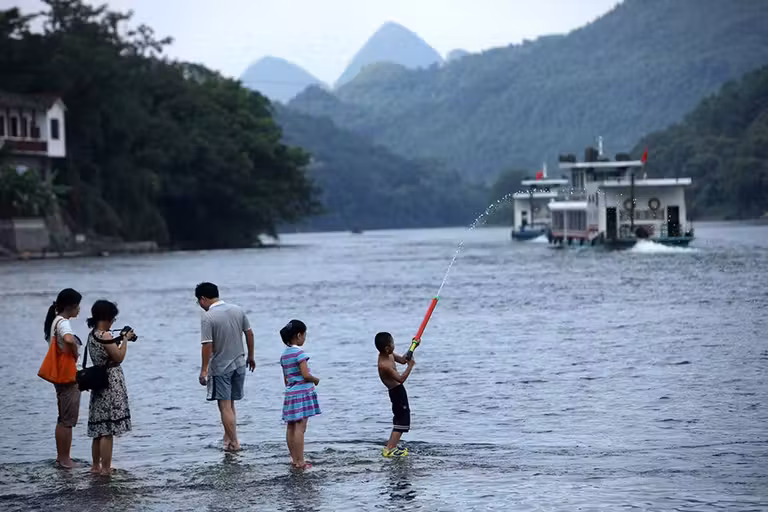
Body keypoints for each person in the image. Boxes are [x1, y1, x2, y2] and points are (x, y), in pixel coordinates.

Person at [195, 282, 255, 451]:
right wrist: (251, 356)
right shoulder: (237, 309)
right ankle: (228, 439)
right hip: (240, 363)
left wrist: (204, 370)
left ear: (203, 299)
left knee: (224, 406)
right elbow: (249, 333)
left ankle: (234, 442)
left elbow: (207, 345)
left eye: (198, 301)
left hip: (221, 366)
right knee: (231, 405)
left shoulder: (208, 317)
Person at [86, 300, 134, 476]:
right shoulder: (105, 336)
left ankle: (95, 466)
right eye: (112, 318)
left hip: (98, 382)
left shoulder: (93, 334)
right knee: (108, 429)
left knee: (99, 428)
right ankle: (105, 468)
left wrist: (119, 339)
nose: (113, 321)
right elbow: (118, 356)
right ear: (106, 317)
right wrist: (125, 340)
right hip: (110, 381)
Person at [41, 288, 83, 469]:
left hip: (59, 377)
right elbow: (67, 339)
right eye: (78, 306)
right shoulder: (64, 323)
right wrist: (75, 351)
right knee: (68, 420)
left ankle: (62, 457)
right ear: (71, 306)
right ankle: (65, 459)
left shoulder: (54, 321)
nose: (80, 309)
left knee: (62, 419)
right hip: (68, 377)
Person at [279, 320, 321, 469]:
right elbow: (305, 375)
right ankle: (301, 461)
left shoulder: (284, 355)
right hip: (303, 393)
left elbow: (286, 379)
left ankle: (294, 459)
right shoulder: (300, 353)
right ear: (298, 335)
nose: (305, 338)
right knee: (300, 428)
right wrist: (315, 380)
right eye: (304, 335)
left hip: (290, 393)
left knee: (291, 426)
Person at [375, 332, 415, 458]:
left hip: (399, 391)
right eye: (393, 343)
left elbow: (403, 360)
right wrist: (410, 366)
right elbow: (400, 378)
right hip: (396, 393)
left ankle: (390, 447)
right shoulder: (384, 365)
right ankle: (390, 449)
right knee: (401, 421)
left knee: (401, 420)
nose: (394, 345)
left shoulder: (389, 354)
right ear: (387, 347)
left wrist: (413, 347)